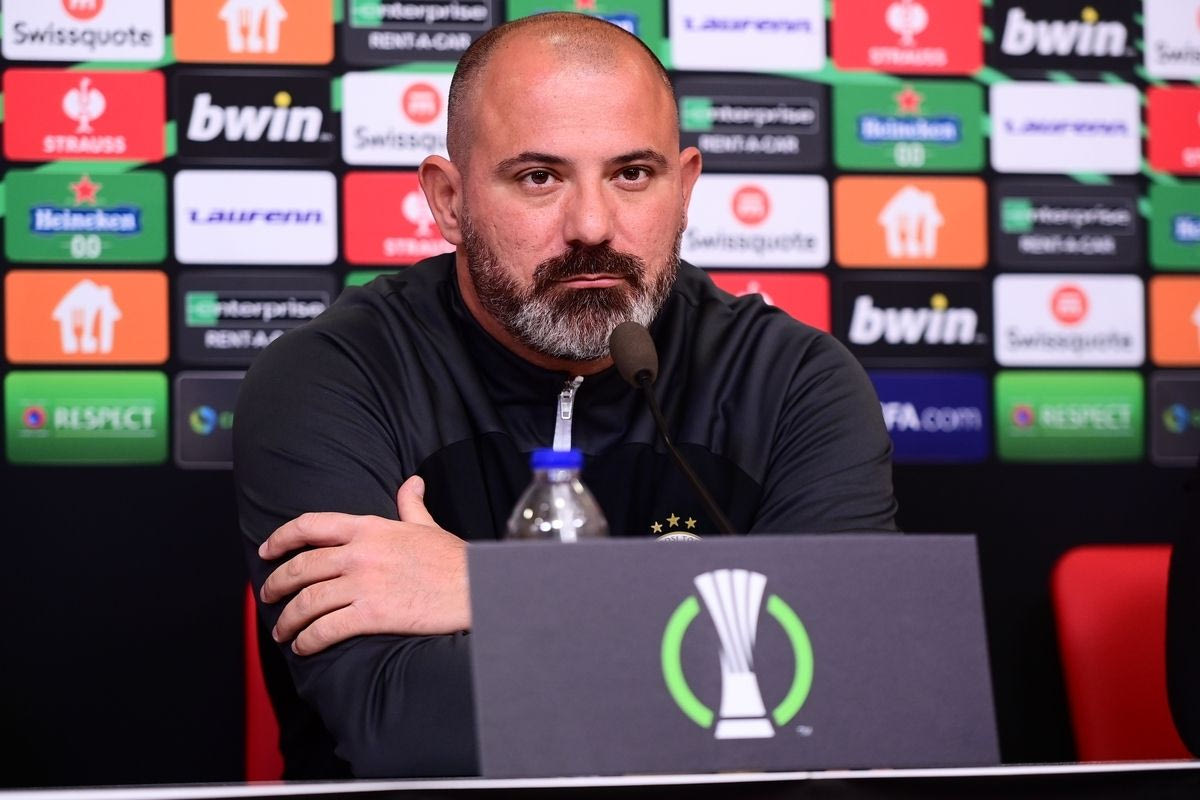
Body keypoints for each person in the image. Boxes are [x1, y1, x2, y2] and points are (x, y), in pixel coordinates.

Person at [234, 12, 898, 779]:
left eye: (632, 174)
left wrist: (495, 591)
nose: (591, 226)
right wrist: (714, 639)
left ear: (685, 189)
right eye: (539, 178)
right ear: (448, 201)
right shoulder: (333, 377)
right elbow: (409, 727)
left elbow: (844, 691)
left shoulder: (794, 384)